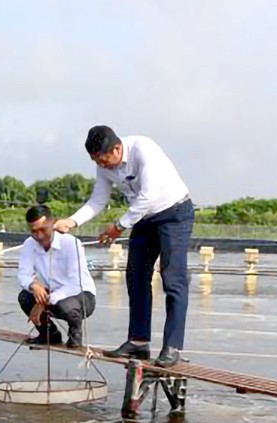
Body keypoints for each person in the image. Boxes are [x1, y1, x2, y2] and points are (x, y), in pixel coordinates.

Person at [53, 125, 193, 367]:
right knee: (136, 276)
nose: (102, 165)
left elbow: (148, 195)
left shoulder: (144, 150)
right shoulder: (103, 166)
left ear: (117, 148)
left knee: (173, 278)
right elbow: (98, 199)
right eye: (96, 161)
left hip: (174, 213)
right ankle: (138, 342)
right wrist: (72, 221)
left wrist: (118, 226)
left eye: (104, 159)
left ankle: (173, 347)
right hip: (144, 218)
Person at [17, 204, 96, 349]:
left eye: (43, 229)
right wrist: (33, 285)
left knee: (65, 304)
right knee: (24, 297)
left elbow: (75, 283)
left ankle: (75, 334)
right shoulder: (29, 244)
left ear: (53, 224)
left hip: (81, 296)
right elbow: (23, 274)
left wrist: (43, 302)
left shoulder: (71, 243)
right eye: (34, 231)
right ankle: (49, 333)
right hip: (51, 294)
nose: (39, 236)